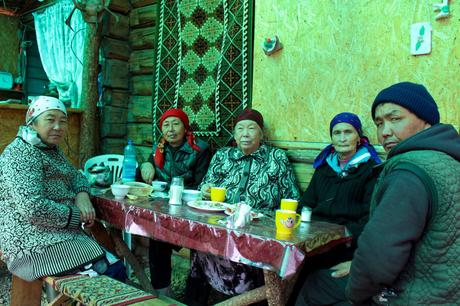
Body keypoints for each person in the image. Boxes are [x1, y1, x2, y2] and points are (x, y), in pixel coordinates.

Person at [296, 82, 460, 305]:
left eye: (395, 119)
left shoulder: (406, 172)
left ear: (426, 121)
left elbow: (377, 258)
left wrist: (356, 293)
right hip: (439, 281)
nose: (385, 132)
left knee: (312, 287)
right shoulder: (446, 158)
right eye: (379, 123)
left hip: (415, 291)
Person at [0, 96, 125, 283]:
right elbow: (33, 208)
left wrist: (82, 196)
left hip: (55, 233)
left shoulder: (49, 149)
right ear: (32, 123)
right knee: (113, 271)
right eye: (50, 120)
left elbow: (76, 176)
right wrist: (78, 216)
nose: (58, 127)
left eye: (63, 121)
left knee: (114, 264)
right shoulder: (21, 153)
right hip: (32, 243)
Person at [186, 109, 300, 305]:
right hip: (220, 224)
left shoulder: (276, 158)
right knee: (200, 243)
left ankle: (252, 298)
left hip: (259, 231)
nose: (245, 134)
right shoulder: (223, 156)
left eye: (251, 128)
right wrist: (205, 188)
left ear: (261, 134)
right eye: (240, 128)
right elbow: (206, 185)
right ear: (234, 134)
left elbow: (293, 199)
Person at [290, 113, 381, 305]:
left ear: (359, 137)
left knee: (309, 279)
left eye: (348, 132)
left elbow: (369, 219)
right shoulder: (324, 168)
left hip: (345, 245)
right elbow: (306, 202)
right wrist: (298, 220)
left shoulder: (370, 170)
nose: (342, 137)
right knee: (286, 271)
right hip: (314, 241)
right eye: (337, 133)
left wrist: (345, 235)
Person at [137, 108, 212, 296]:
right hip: (166, 210)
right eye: (166, 125)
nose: (170, 129)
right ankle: (162, 291)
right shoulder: (159, 148)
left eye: (175, 123)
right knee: (157, 237)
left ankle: (195, 297)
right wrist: (145, 165)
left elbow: (202, 184)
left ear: (185, 127)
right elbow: (144, 175)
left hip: (191, 211)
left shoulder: (200, 149)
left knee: (200, 247)